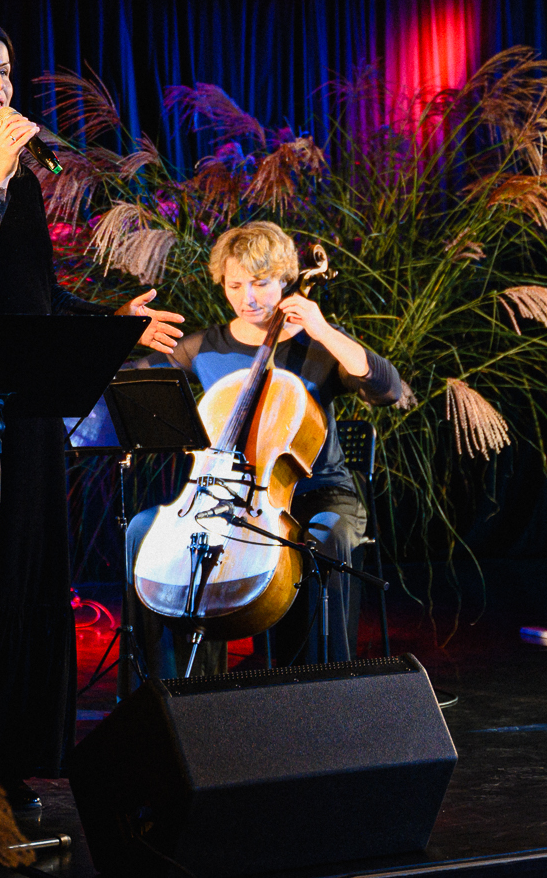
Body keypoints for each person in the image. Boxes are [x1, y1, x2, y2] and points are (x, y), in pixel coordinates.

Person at [0, 19, 181, 812]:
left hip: (28, 413)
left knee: (26, 579)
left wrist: (114, 319)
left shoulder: (21, 183)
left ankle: (18, 760)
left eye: (6, 71)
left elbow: (37, 298)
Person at [126, 220, 406, 677]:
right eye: (235, 285)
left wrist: (322, 329)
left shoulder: (318, 345)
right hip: (225, 497)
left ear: (285, 280)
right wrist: (126, 334)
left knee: (327, 538)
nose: (248, 298)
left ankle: (321, 685)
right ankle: (170, 690)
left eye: (260, 283)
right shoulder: (205, 347)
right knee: (142, 530)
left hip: (318, 492)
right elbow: (131, 383)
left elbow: (387, 389)